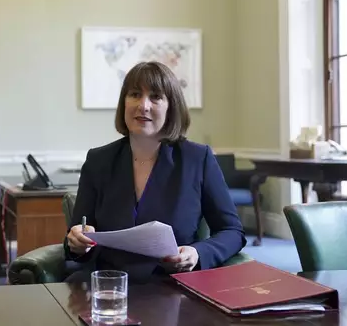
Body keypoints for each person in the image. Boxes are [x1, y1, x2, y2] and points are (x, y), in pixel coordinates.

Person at [64, 61, 246, 284]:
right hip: (108, 285)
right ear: (124, 102)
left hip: (174, 286)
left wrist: (197, 252)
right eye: (135, 94)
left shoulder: (198, 159)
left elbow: (232, 231)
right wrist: (77, 242)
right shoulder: (98, 160)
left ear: (172, 106)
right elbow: (76, 237)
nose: (143, 105)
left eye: (156, 97)